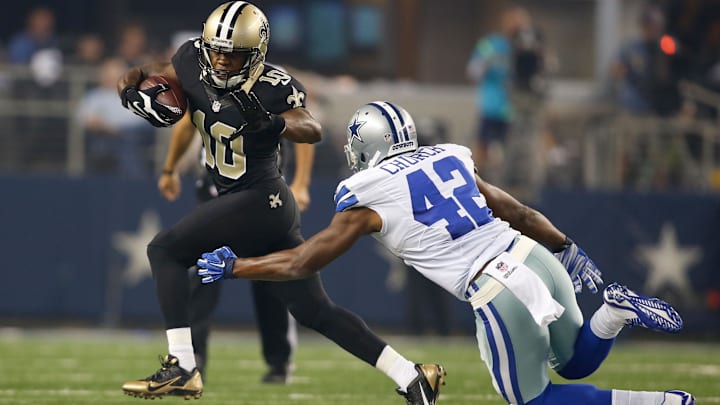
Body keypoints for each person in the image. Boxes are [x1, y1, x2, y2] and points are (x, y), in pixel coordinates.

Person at [196, 101, 696, 405]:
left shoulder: (368, 194)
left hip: (500, 286)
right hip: (532, 255)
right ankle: (612, 311)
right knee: (577, 361)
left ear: (366, 146)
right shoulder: (450, 158)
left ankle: (662, 401)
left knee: (537, 400)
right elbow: (519, 212)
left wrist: (236, 266)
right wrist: (565, 246)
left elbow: (304, 261)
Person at [117, 3, 445, 404]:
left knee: (165, 249)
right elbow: (160, 69)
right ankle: (412, 375)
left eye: (231, 53)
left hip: (260, 201)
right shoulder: (192, 57)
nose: (220, 60)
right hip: (247, 205)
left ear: (255, 53)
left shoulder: (273, 84)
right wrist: (132, 82)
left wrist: (274, 123)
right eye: (214, 49)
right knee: (314, 312)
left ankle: (184, 367)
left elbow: (312, 128)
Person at [159, 112, 312, 383]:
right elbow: (186, 123)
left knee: (270, 274)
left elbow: (303, 128)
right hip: (215, 186)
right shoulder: (203, 81)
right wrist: (169, 168)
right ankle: (193, 357)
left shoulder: (270, 85)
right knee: (203, 272)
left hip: (263, 190)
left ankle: (279, 360)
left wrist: (301, 182)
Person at [465, 6, 527, 184]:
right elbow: (473, 71)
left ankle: (508, 182)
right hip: (492, 106)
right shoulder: (491, 44)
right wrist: (488, 62)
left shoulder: (524, 48)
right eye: (513, 22)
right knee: (483, 145)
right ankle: (476, 182)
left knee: (512, 149)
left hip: (516, 107)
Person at [77, 57, 155, 177]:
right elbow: (84, 119)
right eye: (108, 74)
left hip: (130, 136)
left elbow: (139, 120)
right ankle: (134, 183)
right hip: (102, 138)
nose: (111, 78)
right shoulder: (93, 97)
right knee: (116, 146)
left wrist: (115, 127)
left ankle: (135, 184)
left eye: (115, 75)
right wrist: (106, 127)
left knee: (131, 140)